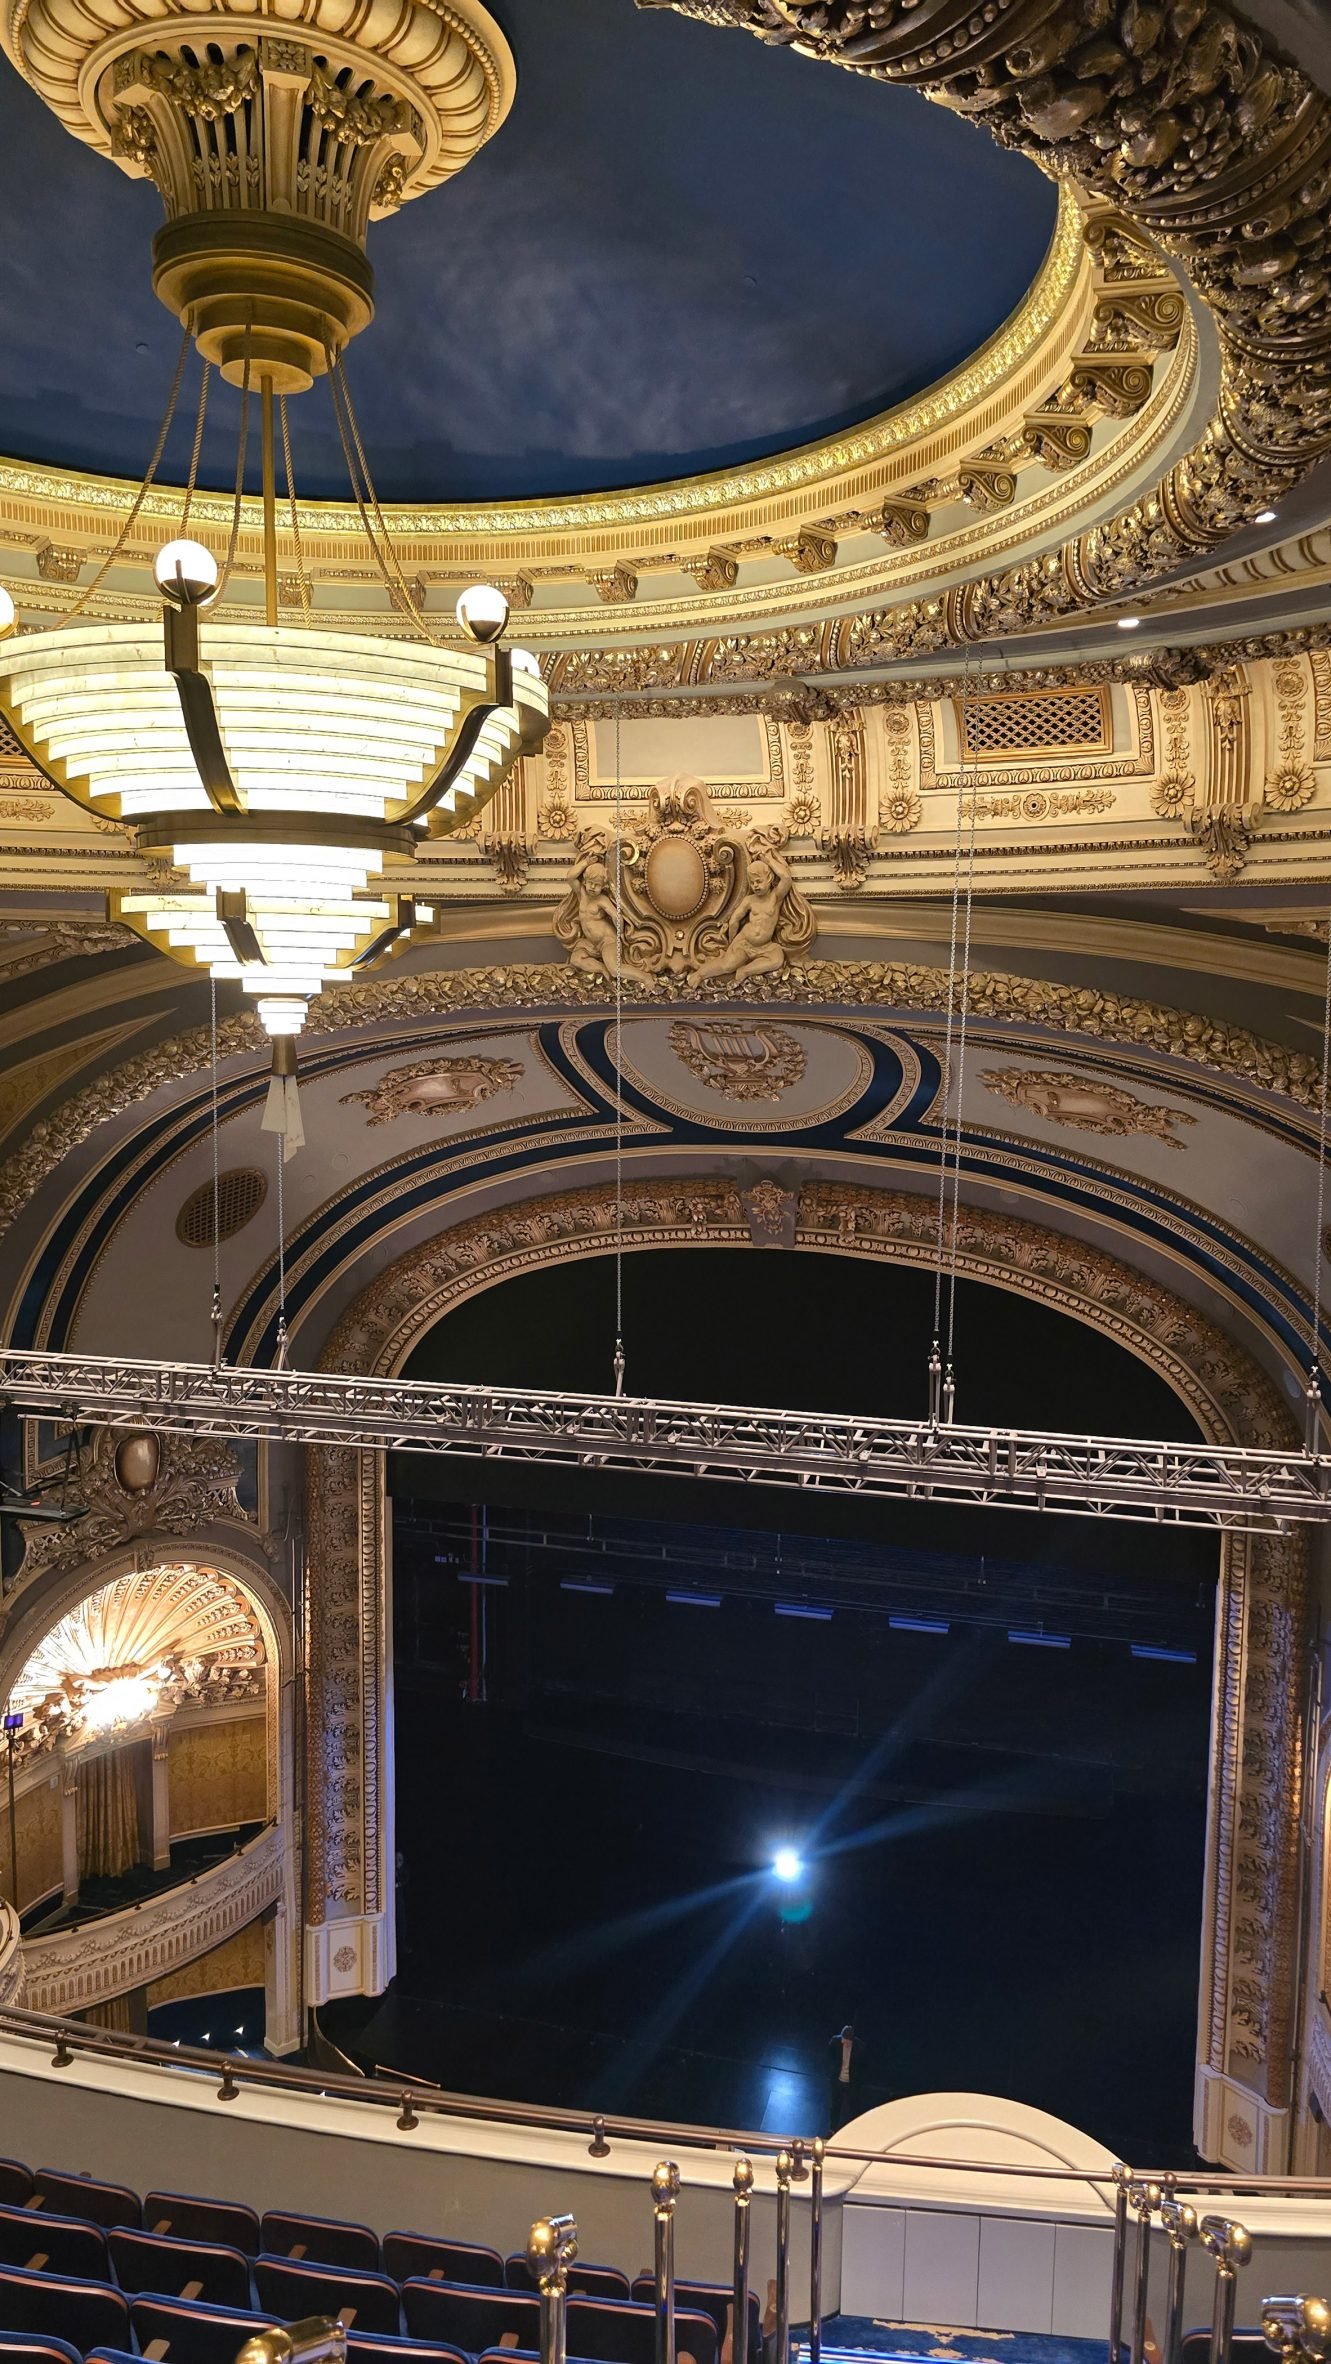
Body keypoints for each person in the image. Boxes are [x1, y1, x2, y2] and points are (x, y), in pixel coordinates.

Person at [827, 2022, 862, 2130]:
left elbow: (862, 2066)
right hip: (838, 2080)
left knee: (852, 2107)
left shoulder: (859, 2047)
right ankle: (832, 2128)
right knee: (835, 2106)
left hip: (850, 2082)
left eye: (845, 2040)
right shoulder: (835, 2041)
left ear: (850, 2040)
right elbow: (830, 2055)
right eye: (842, 2038)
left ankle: (852, 2128)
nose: (843, 2041)